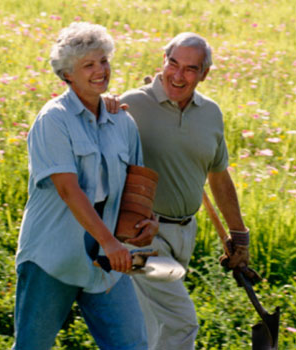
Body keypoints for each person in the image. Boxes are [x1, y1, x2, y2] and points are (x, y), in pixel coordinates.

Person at [13, 22, 157, 350]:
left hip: (107, 264)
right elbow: (68, 190)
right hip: (53, 258)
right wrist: (109, 243)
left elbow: (136, 186)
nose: (100, 71)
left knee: (132, 345)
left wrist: (146, 225)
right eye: (88, 65)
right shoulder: (53, 120)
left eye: (103, 61)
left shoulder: (122, 121)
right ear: (67, 75)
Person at [109, 32, 256, 350]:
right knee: (181, 323)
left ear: (204, 74)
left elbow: (218, 177)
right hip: (141, 234)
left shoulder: (210, 114)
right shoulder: (131, 104)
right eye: (172, 63)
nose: (178, 75)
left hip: (184, 232)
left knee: (152, 326)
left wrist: (239, 235)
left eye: (190, 69)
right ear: (163, 61)